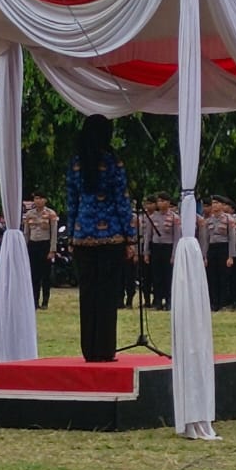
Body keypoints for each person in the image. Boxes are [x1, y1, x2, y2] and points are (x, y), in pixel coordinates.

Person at [65, 115, 134, 362]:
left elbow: (71, 201)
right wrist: (130, 237)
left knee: (88, 294)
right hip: (112, 237)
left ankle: (89, 350)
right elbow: (122, 201)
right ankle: (105, 349)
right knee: (107, 295)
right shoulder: (113, 162)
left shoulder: (76, 162)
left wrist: (72, 235)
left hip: (83, 235)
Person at [24, 191, 59, 309]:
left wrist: (52, 250)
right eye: (36, 198)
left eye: (40, 198)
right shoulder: (29, 214)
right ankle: (34, 301)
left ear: (45, 200)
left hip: (45, 245)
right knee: (34, 275)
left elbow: (54, 233)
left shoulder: (50, 214)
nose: (37, 201)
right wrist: (25, 248)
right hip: (33, 245)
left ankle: (45, 301)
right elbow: (26, 233)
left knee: (45, 275)